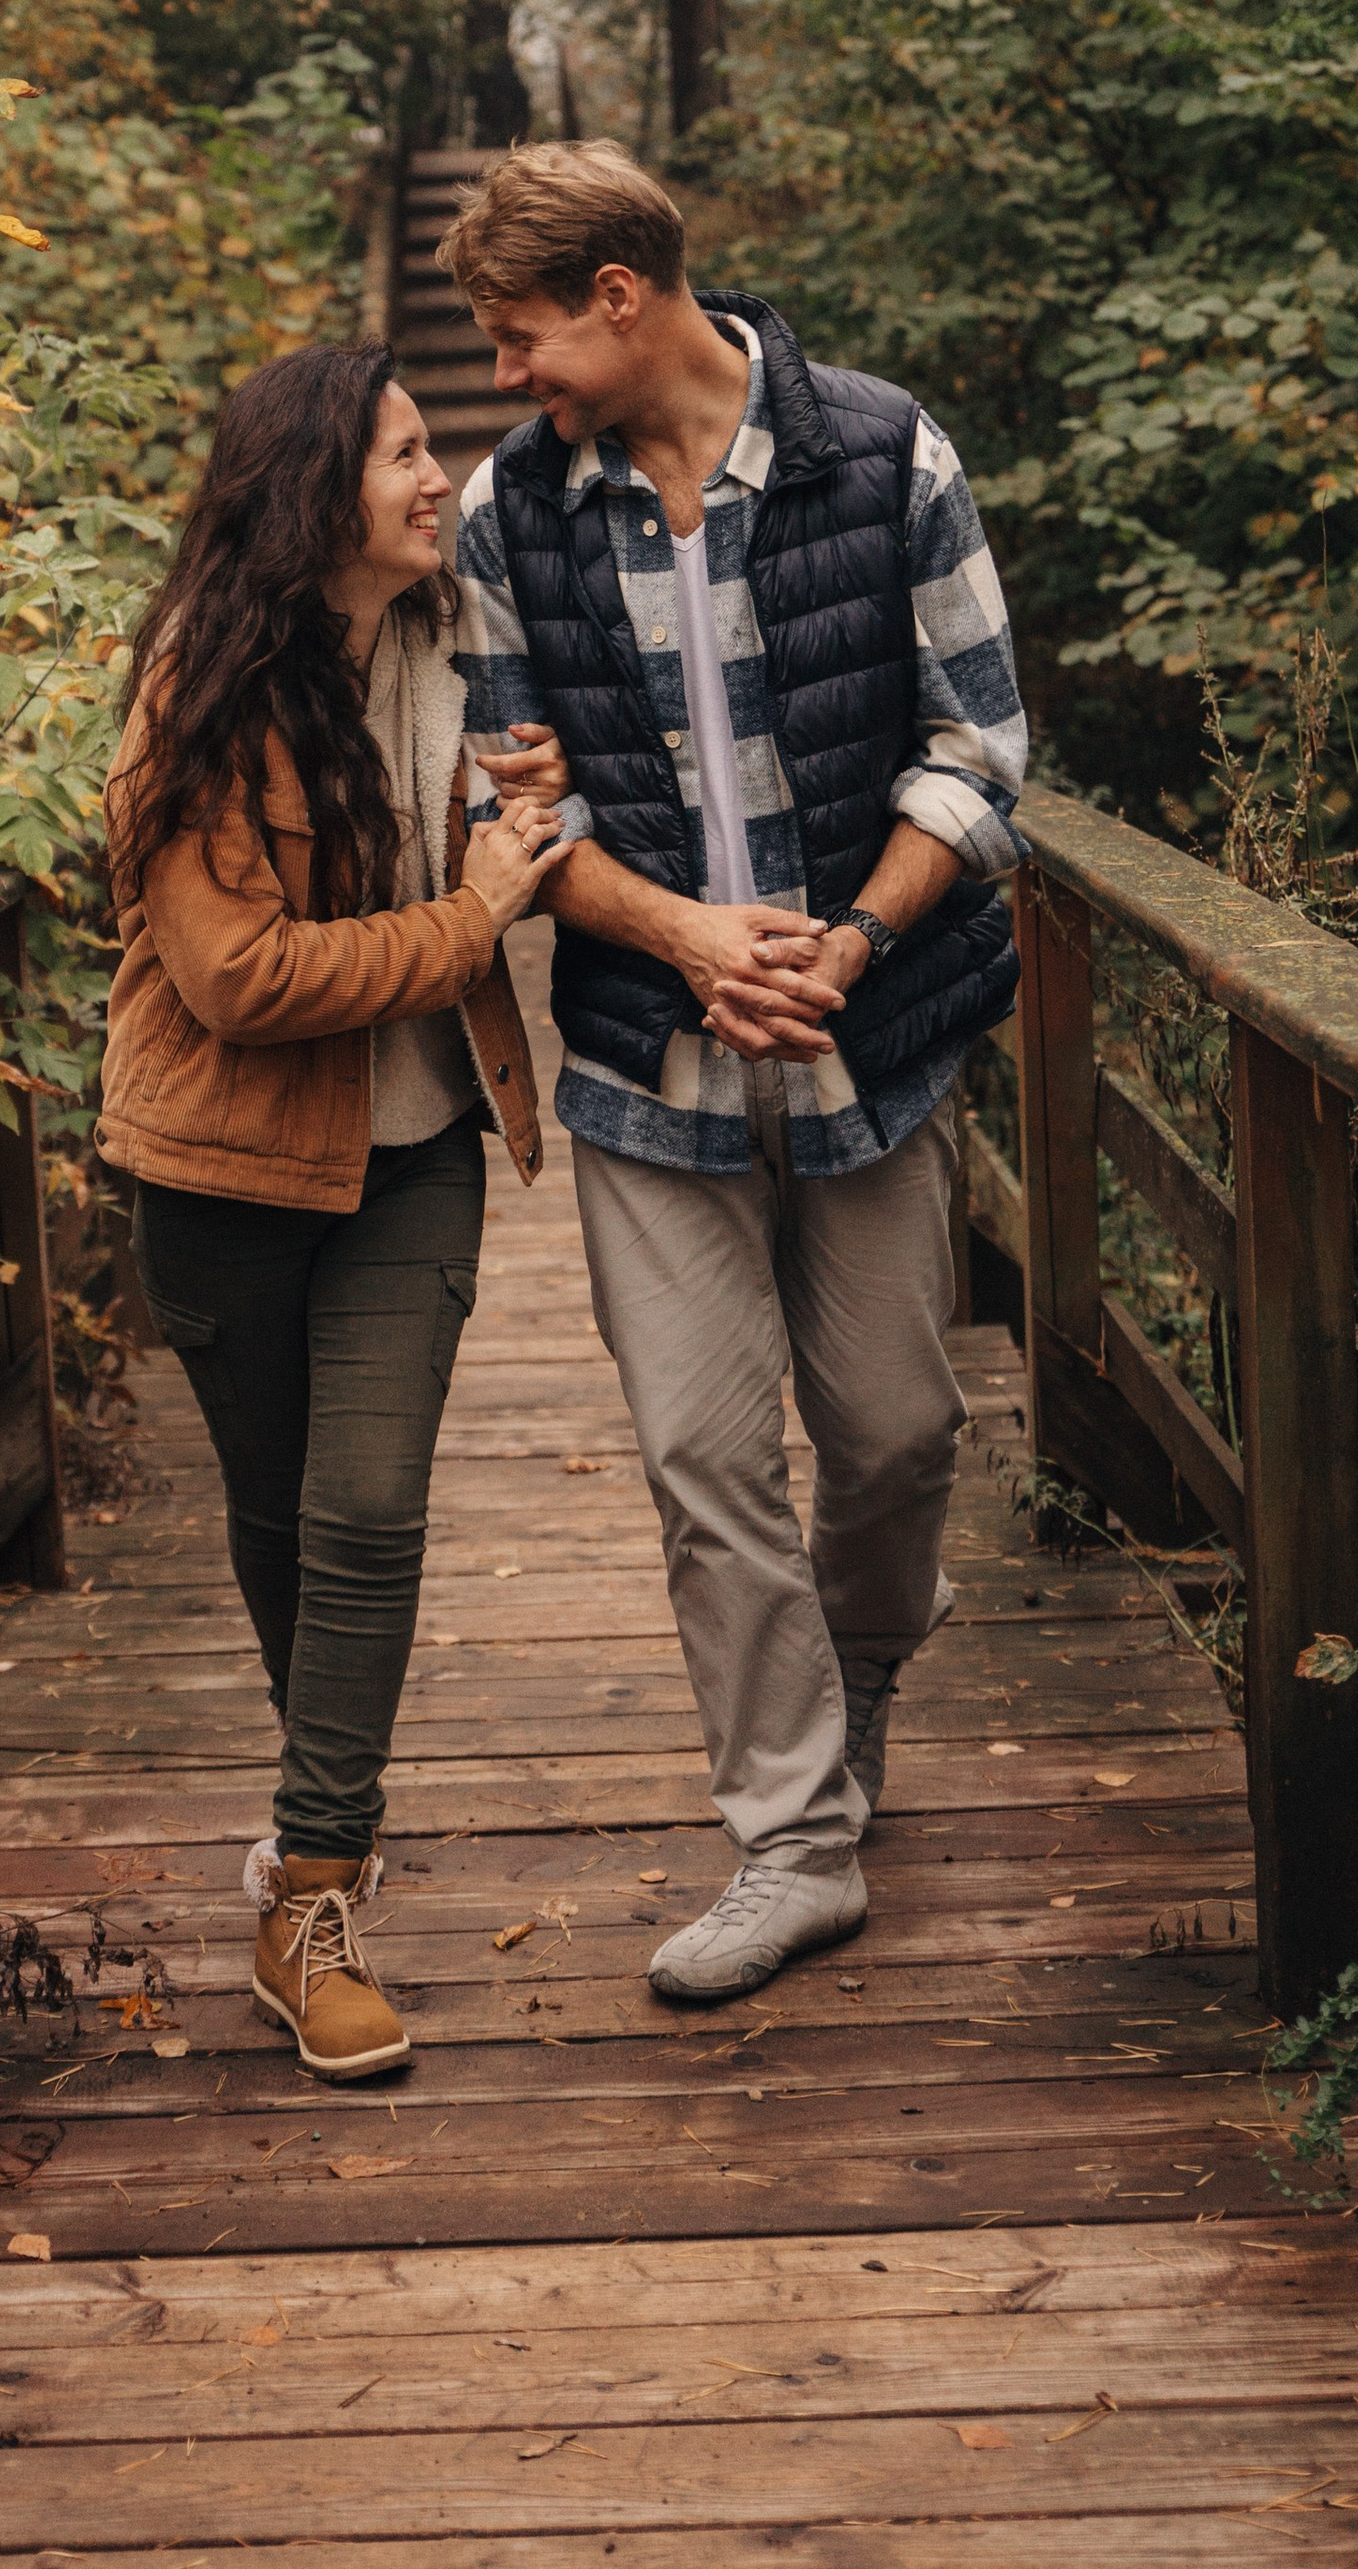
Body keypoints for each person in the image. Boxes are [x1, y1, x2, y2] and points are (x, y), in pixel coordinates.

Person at [444, 143, 1027, 2003]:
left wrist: (845, 944)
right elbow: (507, 802)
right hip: (645, 1060)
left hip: (871, 1037)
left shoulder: (884, 454)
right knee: (706, 1460)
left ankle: (859, 1679)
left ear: (623, 295)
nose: (507, 375)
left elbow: (982, 743)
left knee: (895, 1438)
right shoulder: (507, 518)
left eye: (522, 336)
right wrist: (692, 940)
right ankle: (790, 1841)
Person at [98, 341, 572, 2081]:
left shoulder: (460, 635)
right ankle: (331, 1819)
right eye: (399, 457)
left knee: (363, 1513)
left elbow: (534, 816)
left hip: (417, 1148)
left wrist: (520, 809)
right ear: (313, 501)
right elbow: (232, 975)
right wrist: (466, 921)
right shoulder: (204, 689)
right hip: (221, 1164)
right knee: (282, 1523)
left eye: (433, 446)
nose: (439, 477)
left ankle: (307, 1899)